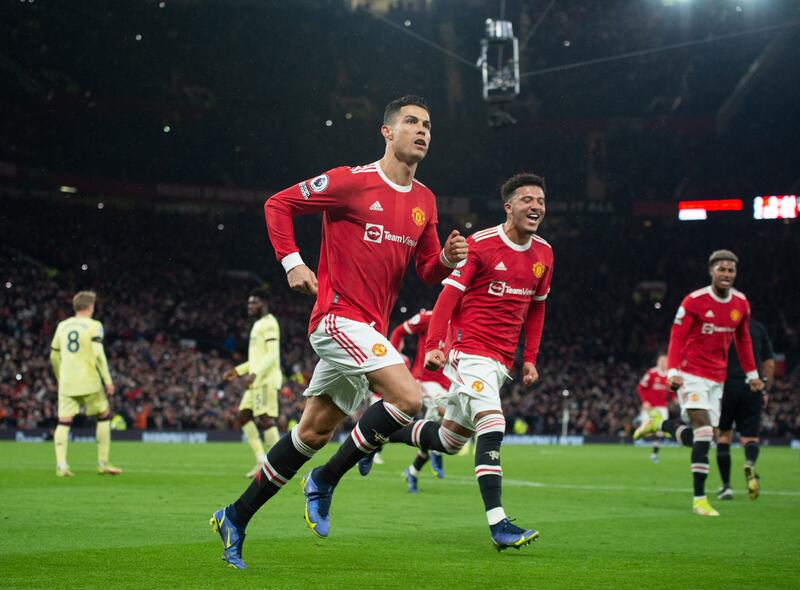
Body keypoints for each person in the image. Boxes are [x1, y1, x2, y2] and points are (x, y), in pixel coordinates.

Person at [210, 94, 468, 569]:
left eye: (428, 125)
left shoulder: (426, 201)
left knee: (312, 432)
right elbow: (278, 204)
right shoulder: (352, 182)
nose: (422, 130)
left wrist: (447, 261)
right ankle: (326, 480)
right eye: (411, 122)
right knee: (409, 400)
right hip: (336, 318)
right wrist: (292, 263)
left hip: (371, 329)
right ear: (387, 132)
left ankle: (234, 516)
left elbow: (428, 270)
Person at [376, 172, 553, 551]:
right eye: (527, 200)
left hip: (501, 363)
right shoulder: (481, 245)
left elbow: (536, 310)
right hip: (469, 353)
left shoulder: (545, 254)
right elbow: (446, 300)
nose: (536, 206)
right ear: (509, 207)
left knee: (450, 440)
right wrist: (436, 345)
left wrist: (530, 359)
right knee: (494, 422)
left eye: (540, 200)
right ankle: (499, 524)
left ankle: (380, 433)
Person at [654, 250, 764, 517]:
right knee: (704, 431)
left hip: (717, 378)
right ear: (711, 271)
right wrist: (673, 372)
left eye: (731, 270)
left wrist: (752, 374)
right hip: (691, 374)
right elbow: (677, 336)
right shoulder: (694, 301)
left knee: (703, 438)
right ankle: (699, 500)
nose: (726, 274)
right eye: (721, 269)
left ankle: (662, 425)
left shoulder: (741, 304)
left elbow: (744, 340)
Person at [361, 308, 452, 491]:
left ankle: (411, 471)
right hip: (424, 380)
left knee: (439, 437)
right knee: (446, 413)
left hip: (447, 384)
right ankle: (434, 453)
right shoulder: (428, 317)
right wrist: (391, 360)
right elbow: (399, 331)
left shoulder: (464, 323)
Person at [49, 291, 121, 477]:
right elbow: (98, 354)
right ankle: (103, 463)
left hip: (67, 382)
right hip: (88, 380)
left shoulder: (62, 326)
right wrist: (108, 380)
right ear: (90, 307)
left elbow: (54, 356)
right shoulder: (94, 326)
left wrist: (60, 376)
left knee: (63, 422)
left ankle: (61, 466)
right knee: (103, 415)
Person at [223, 287, 282, 478]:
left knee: (265, 418)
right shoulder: (258, 324)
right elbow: (257, 358)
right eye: (249, 302)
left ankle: (278, 464)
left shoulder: (270, 323)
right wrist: (238, 371)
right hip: (256, 379)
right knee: (243, 417)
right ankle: (261, 461)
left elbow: (272, 355)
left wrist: (254, 374)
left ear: (263, 304)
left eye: (254, 302)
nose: (250, 306)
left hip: (265, 379)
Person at [716, 319, 775, 500]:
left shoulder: (720, 325)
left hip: (727, 385)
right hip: (753, 385)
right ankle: (749, 463)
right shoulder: (758, 327)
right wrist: (765, 389)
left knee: (724, 435)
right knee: (750, 437)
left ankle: (726, 487)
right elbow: (770, 364)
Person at [632, 353, 675, 463]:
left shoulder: (669, 376)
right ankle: (639, 421)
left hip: (662, 408)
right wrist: (645, 401)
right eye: (661, 361)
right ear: (657, 362)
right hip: (650, 407)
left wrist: (674, 398)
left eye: (665, 361)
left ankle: (654, 455)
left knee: (660, 431)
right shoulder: (652, 373)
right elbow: (641, 388)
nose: (663, 363)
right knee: (647, 431)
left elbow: (670, 392)